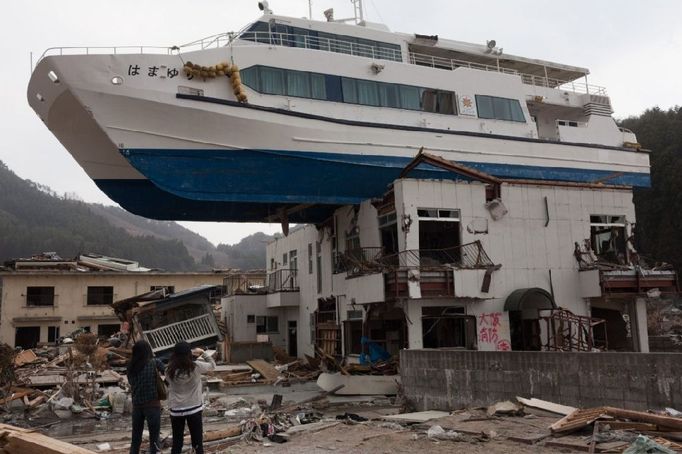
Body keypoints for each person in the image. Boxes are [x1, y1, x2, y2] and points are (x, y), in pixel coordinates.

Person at [166, 341, 216, 454]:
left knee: (177, 442)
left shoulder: (169, 370)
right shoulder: (196, 366)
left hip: (176, 410)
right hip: (194, 409)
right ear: (189, 353)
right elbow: (213, 365)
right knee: (197, 442)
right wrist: (203, 353)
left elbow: (168, 383)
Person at [127, 340, 162, 454]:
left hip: (137, 406)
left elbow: (130, 382)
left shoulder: (130, 366)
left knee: (136, 437)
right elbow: (168, 373)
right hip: (152, 405)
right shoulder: (154, 362)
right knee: (154, 438)